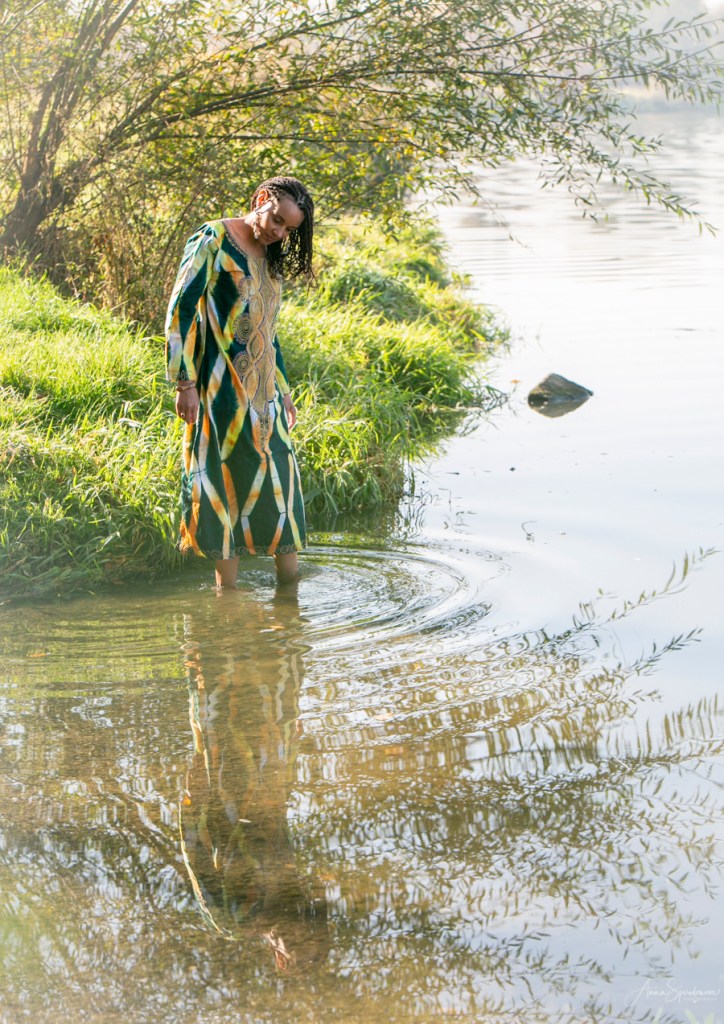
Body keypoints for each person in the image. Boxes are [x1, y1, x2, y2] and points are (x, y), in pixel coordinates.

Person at [165, 176, 313, 587]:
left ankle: (289, 596)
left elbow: (268, 330)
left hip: (265, 395)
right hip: (218, 391)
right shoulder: (213, 239)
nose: (280, 233)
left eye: (289, 229)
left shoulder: (271, 254)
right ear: (262, 199)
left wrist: (284, 390)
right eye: (277, 220)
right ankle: (226, 596)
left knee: (281, 483)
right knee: (221, 481)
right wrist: (184, 383)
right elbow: (180, 310)